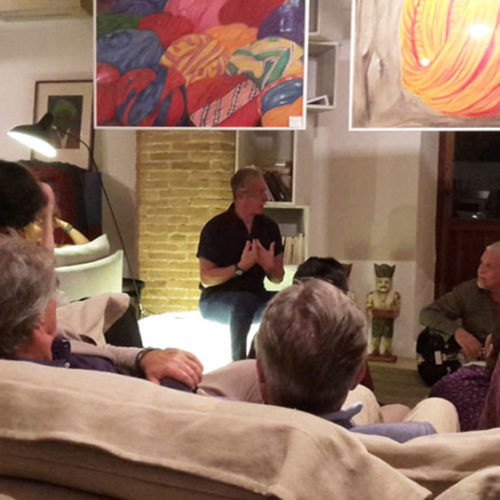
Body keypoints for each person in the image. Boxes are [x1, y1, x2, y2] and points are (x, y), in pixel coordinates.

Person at [0, 238, 203, 390]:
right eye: (54, 294)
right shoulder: (74, 385)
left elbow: (104, 350)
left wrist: (144, 356)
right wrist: (175, 379)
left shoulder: (50, 343)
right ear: (40, 318)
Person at [197, 167, 284, 360]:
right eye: (260, 193)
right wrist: (240, 268)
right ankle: (239, 362)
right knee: (243, 302)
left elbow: (278, 278)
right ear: (241, 195)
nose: (266, 198)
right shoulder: (215, 228)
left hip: (256, 297)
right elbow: (206, 278)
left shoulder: (269, 228)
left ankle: (276, 361)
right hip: (216, 300)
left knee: (290, 299)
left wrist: (268, 265)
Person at [420, 241, 500, 362]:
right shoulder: (469, 291)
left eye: (489, 266)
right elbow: (427, 313)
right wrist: (457, 332)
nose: (480, 270)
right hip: (477, 366)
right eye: (481, 263)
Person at [0, 160, 55, 253]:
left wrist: (47, 215)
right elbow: (43, 259)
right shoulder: (5, 245)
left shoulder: (9, 232)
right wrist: (47, 215)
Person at [365, 264, 401, 361]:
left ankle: (387, 350)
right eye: (380, 282)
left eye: (386, 282)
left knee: (387, 336)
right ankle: (375, 349)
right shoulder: (372, 295)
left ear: (391, 282)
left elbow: (397, 307)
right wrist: (370, 311)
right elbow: (368, 306)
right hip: (376, 319)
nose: (383, 285)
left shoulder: (395, 295)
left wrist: (394, 312)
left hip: (388, 320)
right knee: (375, 335)